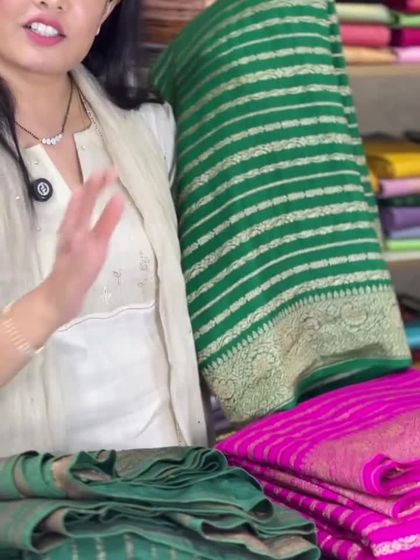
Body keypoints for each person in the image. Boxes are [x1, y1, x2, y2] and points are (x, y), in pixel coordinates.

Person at [0, 0, 208, 456]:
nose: (53, 2)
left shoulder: (150, 127)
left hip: (170, 475)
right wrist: (49, 304)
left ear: (108, 9)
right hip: (37, 490)